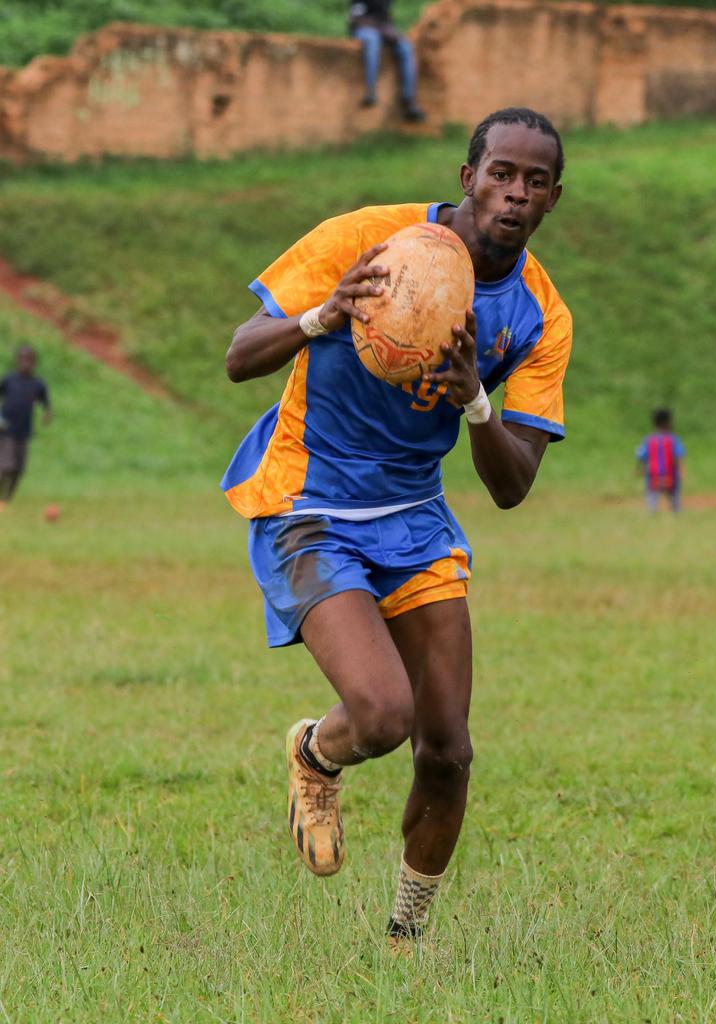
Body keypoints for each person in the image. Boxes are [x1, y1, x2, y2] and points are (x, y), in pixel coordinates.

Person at [222, 107, 572, 947]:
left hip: (415, 518)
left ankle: (404, 941)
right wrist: (323, 316)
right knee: (383, 715)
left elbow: (513, 483)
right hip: (307, 503)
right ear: (467, 178)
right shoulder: (369, 239)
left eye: (534, 183)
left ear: (553, 198)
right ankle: (316, 752)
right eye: (500, 174)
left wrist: (475, 401)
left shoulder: (537, 315)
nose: (514, 195)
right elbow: (239, 355)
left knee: (448, 749)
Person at [348, 1, 426, 121]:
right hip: (363, 29)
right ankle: (370, 91)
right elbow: (356, 19)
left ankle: (409, 100)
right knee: (373, 41)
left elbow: (386, 19)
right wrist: (382, 30)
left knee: (406, 48)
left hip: (382, 29)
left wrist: (390, 32)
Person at [0, 345, 51, 509]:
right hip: (6, 430)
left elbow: (45, 403)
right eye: (22, 359)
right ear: (17, 361)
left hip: (24, 432)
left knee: (19, 469)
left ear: (34, 362)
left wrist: (46, 413)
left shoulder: (38, 384)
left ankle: (6, 499)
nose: (25, 363)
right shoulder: (9, 380)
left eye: (29, 360)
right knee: (6, 466)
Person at [635, 408, 685, 514]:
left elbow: (641, 456)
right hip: (670, 475)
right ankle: (676, 512)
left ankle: (651, 512)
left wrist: (639, 469)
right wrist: (681, 470)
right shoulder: (673, 439)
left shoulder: (649, 440)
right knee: (674, 497)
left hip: (653, 475)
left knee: (652, 496)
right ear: (667, 422)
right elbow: (678, 455)